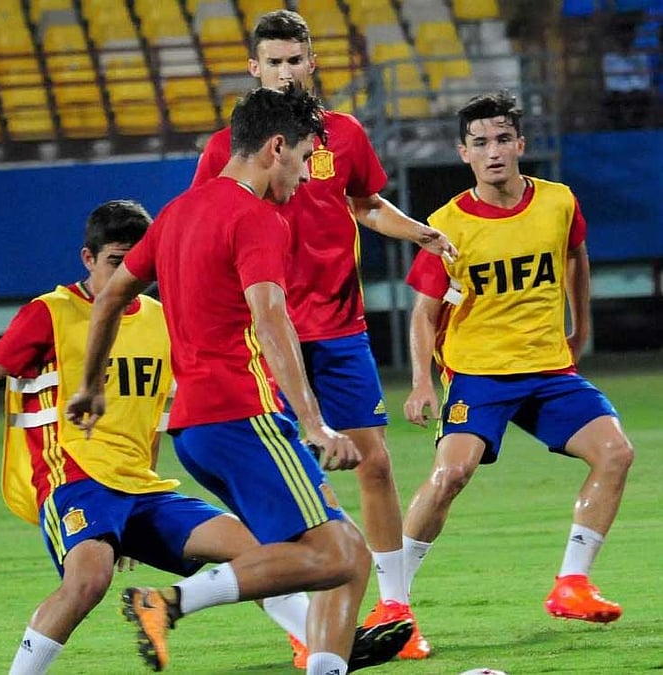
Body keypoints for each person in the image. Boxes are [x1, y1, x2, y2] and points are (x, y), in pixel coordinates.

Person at [0, 199, 402, 675]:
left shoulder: (161, 317)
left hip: (141, 488)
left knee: (260, 550)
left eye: (137, 264)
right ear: (88, 259)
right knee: (88, 581)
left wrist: (134, 510)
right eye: (115, 262)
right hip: (75, 477)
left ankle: (324, 642)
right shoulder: (51, 312)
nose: (125, 275)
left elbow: (150, 414)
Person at [67, 86, 412, 675]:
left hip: (195, 429)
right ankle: (169, 602)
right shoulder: (256, 218)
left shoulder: (177, 212)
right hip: (242, 416)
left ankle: (325, 664)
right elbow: (273, 321)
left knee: (339, 553)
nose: (306, 177)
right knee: (338, 555)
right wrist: (314, 423)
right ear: (276, 147)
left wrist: (91, 383)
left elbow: (110, 297)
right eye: (303, 159)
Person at [190, 9, 456, 660]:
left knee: (376, 462)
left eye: (294, 59)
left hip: (337, 327)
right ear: (254, 69)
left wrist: (417, 228)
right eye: (272, 61)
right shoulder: (228, 149)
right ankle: (311, 626)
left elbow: (365, 204)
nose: (285, 71)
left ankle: (396, 605)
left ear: (311, 62)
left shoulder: (344, 133)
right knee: (294, 487)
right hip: (266, 337)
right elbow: (205, 226)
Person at [401, 91, 634, 646]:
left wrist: (581, 326)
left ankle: (572, 583)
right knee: (450, 475)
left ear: (520, 145)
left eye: (503, 139)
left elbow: (575, 255)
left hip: (549, 370)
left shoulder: (558, 202)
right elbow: (423, 312)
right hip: (477, 374)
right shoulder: (448, 224)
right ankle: (393, 602)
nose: (494, 152)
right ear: (464, 153)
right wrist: (420, 382)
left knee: (616, 452)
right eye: (480, 143)